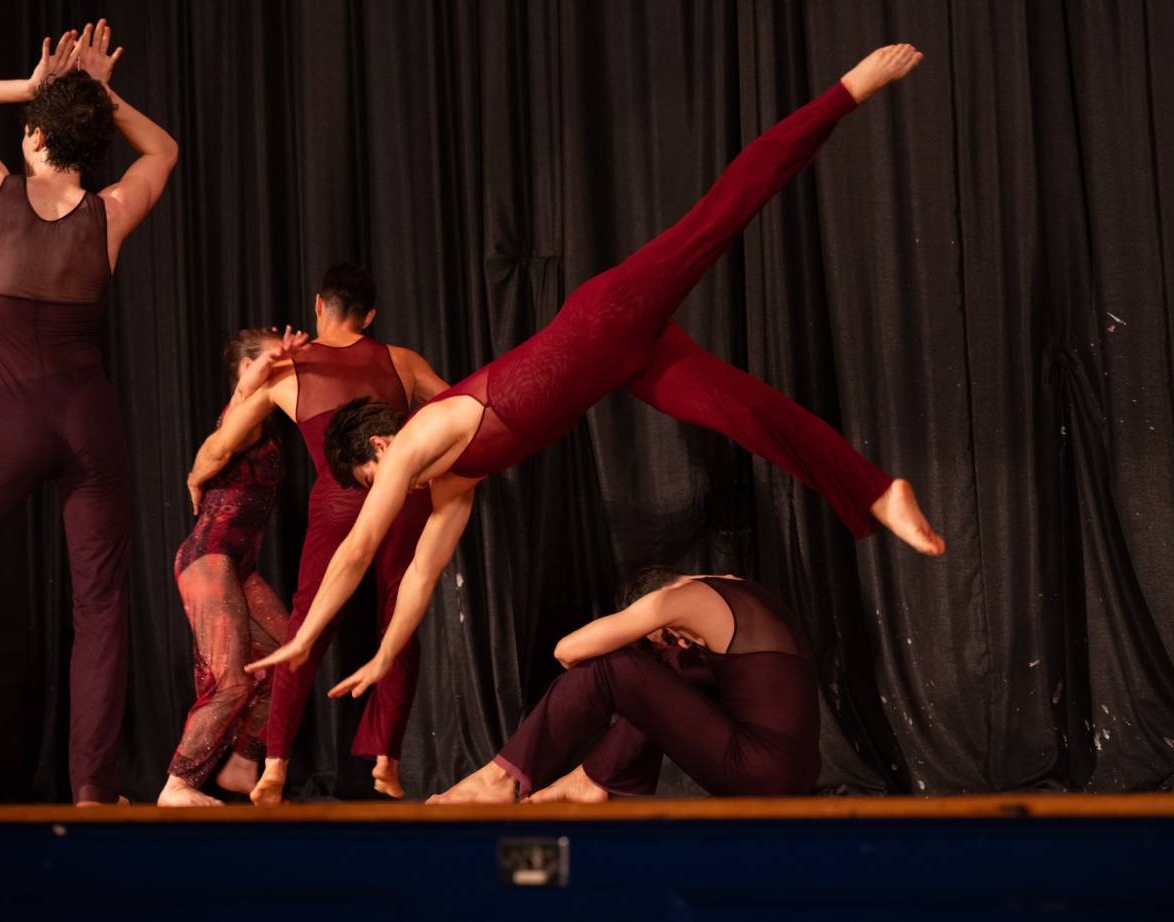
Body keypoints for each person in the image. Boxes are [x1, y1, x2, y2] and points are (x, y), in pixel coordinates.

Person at [247, 46, 943, 711]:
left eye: (371, 488)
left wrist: (305, 637)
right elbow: (421, 578)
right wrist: (381, 656)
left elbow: (359, 549)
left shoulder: (419, 439)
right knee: (750, 416)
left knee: (724, 209)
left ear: (376, 451)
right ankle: (878, 491)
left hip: (608, 319)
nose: (381, 501)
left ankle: (847, 90)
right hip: (628, 363)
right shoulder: (452, 481)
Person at [0, 20, 178, 804]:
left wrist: (33, 86)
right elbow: (166, 151)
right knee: (101, 604)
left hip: (6, 431)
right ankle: (91, 792)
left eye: (29, 123)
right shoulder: (110, 212)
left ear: (38, 134)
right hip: (89, 429)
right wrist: (103, 100)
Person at [186, 263, 447, 802]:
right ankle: (387, 761)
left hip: (339, 497)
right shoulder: (402, 360)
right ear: (369, 316)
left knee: (309, 621)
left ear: (318, 306)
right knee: (399, 614)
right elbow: (455, 410)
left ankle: (275, 767)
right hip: (403, 487)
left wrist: (195, 473)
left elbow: (223, 444)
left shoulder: (289, 369)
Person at [428, 569, 819, 803]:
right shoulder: (742, 588)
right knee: (677, 673)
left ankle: (501, 779)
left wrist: (643, 628)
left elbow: (567, 652)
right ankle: (592, 780)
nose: (680, 641)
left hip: (757, 771)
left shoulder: (677, 599)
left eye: (668, 634)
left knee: (612, 667)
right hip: (797, 776)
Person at [159, 329, 301, 807]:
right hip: (208, 557)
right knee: (232, 679)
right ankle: (177, 785)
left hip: (237, 565)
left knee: (288, 655)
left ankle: (242, 764)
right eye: (272, 362)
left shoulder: (261, 413)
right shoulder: (245, 411)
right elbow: (216, 449)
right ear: (248, 369)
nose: (287, 368)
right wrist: (195, 475)